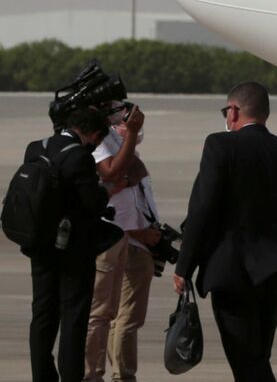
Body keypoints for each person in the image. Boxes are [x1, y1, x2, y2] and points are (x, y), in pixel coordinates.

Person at [173, 82, 277, 382]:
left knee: (245, 360)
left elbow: (203, 210)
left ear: (234, 111)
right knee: (257, 355)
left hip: (232, 271)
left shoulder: (220, 145)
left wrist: (184, 266)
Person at [26, 105, 113, 382]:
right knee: (73, 319)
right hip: (73, 250)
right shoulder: (79, 158)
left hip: (39, 245)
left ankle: (42, 375)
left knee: (42, 315)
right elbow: (91, 203)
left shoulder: (35, 147)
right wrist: (103, 191)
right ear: (94, 134)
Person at [86, 103, 160, 382]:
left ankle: (121, 373)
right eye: (120, 119)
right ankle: (107, 374)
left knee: (127, 317)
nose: (128, 124)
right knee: (108, 316)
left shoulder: (127, 153)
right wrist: (138, 233)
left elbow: (132, 177)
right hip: (118, 240)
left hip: (137, 242)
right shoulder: (102, 148)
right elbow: (112, 179)